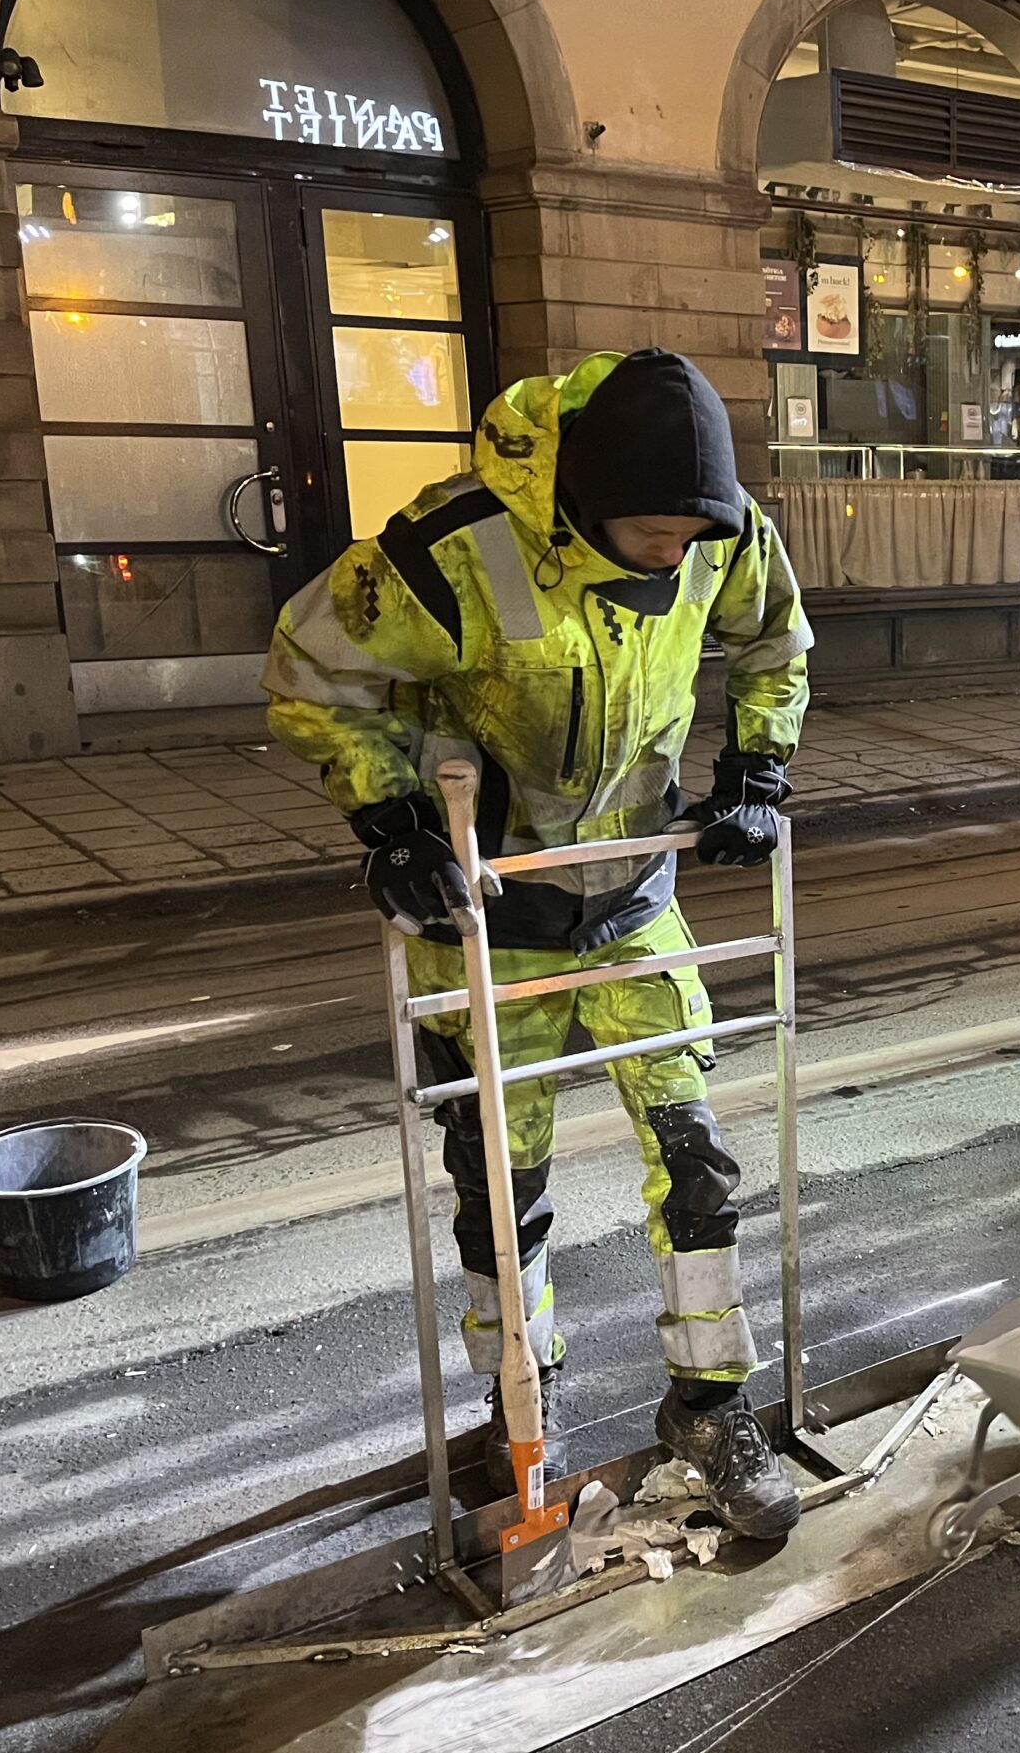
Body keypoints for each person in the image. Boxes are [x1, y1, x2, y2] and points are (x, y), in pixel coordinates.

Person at [262, 349, 812, 1540]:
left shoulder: (720, 532)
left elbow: (775, 640)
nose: (674, 554)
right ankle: (521, 1401)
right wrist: (392, 821)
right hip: (489, 917)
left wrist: (757, 769)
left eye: (691, 535)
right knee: (501, 1190)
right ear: (585, 500)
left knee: (697, 1159)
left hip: (630, 900)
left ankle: (710, 1403)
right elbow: (310, 671)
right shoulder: (453, 552)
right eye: (653, 533)